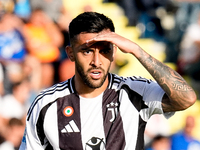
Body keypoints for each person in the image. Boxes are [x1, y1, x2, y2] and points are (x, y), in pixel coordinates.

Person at [19, 12, 196, 150]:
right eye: (87, 51)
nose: (97, 61)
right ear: (71, 53)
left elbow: (186, 98)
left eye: (104, 51)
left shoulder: (134, 92)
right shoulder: (46, 104)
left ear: (113, 52)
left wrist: (137, 50)